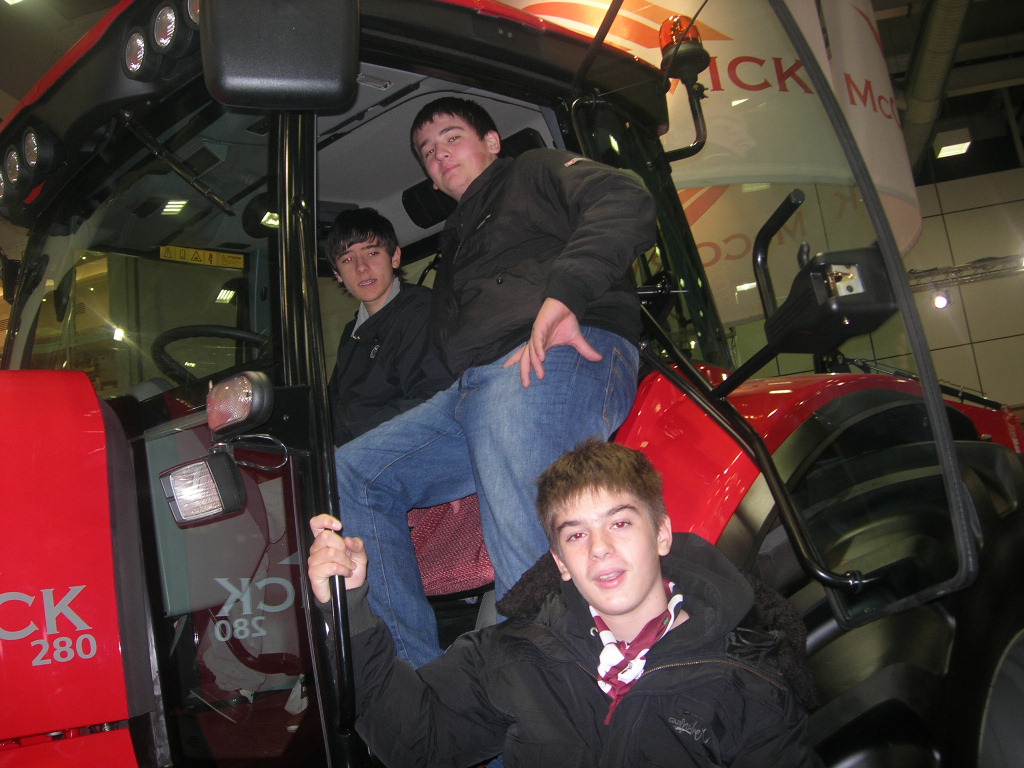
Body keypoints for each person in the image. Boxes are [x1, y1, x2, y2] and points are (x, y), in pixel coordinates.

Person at [326, 97, 656, 667]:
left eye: (452, 138)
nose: (439, 155)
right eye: (428, 152)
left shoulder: (533, 171)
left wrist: (566, 296)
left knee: (508, 435)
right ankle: (418, 677)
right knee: (355, 471)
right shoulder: (455, 239)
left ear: (493, 142)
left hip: (561, 346)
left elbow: (625, 197)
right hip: (476, 385)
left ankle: (553, 671)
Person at [307, 439, 823, 767]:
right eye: (576, 535)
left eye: (620, 523)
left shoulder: (745, 683)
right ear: (559, 562)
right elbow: (416, 741)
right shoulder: (517, 653)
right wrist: (349, 607)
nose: (600, 548)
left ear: (662, 534)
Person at [324, 207, 452, 446]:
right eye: (348, 259)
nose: (361, 267)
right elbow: (332, 411)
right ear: (337, 274)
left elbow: (430, 398)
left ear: (394, 257)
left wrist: (350, 447)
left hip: (408, 443)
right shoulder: (351, 335)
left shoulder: (420, 310)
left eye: (372, 253)